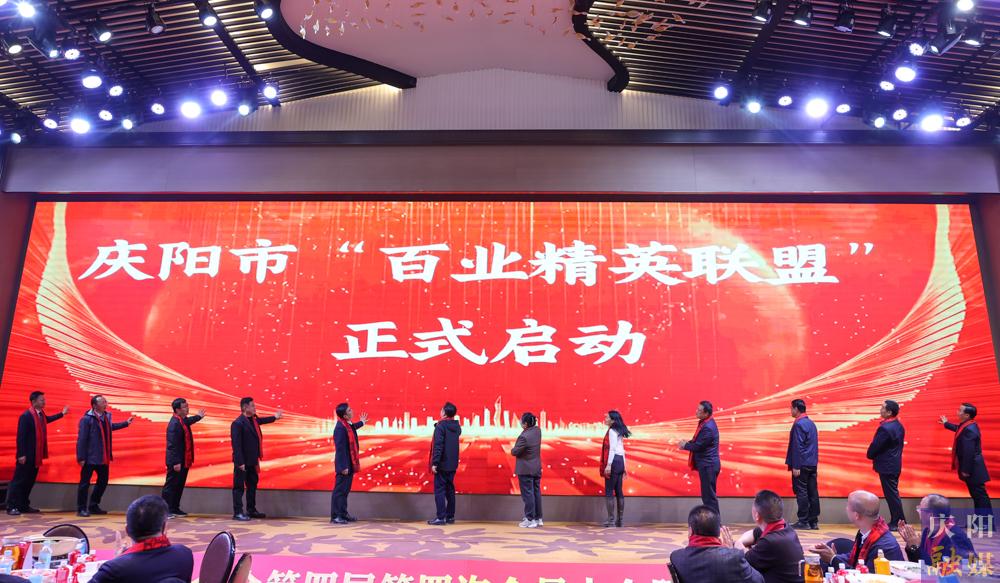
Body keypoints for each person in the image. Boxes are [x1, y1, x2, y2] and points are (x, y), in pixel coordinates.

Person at [90, 495, 194, 582]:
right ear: (164, 527)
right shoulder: (185, 554)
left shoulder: (113, 570)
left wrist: (118, 560)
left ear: (127, 530)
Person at [809, 490, 904, 570]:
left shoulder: (882, 547)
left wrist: (833, 559)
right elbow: (854, 558)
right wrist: (833, 557)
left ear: (856, 515)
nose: (846, 508)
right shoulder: (868, 531)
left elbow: (864, 578)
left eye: (848, 506)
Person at [8, 391, 68, 516]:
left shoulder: (40, 415)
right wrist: (21, 454)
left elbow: (48, 420)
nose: (44, 402)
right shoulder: (26, 416)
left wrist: (62, 414)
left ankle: (23, 505)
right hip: (26, 456)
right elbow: (21, 437)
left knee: (29, 481)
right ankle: (11, 506)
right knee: (19, 481)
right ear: (34, 401)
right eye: (42, 400)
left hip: (36, 455)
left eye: (44, 400)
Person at [669, 505, 764, 583]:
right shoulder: (734, 557)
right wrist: (731, 551)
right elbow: (759, 580)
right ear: (719, 532)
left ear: (690, 531)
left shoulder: (676, 557)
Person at [729, 490, 805, 583]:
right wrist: (740, 542)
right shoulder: (787, 529)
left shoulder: (770, 542)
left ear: (756, 515)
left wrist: (736, 545)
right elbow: (754, 533)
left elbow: (744, 559)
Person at [77, 395, 134, 517]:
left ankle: (93, 505)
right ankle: (81, 508)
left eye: (105, 402)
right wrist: (81, 457)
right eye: (103, 402)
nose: (105, 404)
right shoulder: (86, 419)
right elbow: (82, 439)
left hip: (103, 456)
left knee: (103, 481)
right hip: (89, 457)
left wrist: (126, 423)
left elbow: (110, 427)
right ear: (94, 405)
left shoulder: (106, 417)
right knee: (84, 483)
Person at [230, 397, 282, 521]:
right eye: (252, 406)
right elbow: (236, 445)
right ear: (245, 407)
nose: (255, 408)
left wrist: (275, 417)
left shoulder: (253, 420)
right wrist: (240, 462)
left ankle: (251, 510)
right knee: (239, 487)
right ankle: (238, 512)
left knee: (252, 486)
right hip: (242, 462)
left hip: (252, 460)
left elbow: (262, 420)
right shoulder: (237, 423)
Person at [940, 403, 992, 522]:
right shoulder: (968, 426)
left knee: (980, 497)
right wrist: (946, 423)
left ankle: (985, 523)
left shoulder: (970, 429)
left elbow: (969, 452)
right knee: (978, 496)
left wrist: (965, 470)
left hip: (973, 470)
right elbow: (958, 429)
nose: (957, 412)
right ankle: (981, 522)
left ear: (967, 415)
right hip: (974, 469)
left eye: (960, 410)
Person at [898, 494, 976, 567]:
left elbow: (938, 569)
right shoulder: (927, 531)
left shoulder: (955, 537)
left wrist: (915, 547)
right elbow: (918, 563)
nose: (918, 512)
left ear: (930, 515)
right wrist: (910, 544)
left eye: (920, 509)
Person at [162, 398, 206, 518]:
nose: (187, 409)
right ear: (177, 410)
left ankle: (174, 508)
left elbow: (189, 421)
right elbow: (172, 445)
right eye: (185, 407)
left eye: (187, 406)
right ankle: (165, 510)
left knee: (179, 485)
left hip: (184, 460)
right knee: (170, 486)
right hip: (176, 461)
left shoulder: (182, 421)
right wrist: (176, 462)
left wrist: (198, 417)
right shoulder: (174, 424)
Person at [866, 399, 905, 529]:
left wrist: (870, 454)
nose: (880, 410)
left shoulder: (885, 428)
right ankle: (897, 520)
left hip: (887, 466)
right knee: (892, 495)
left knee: (892, 495)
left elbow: (876, 446)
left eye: (883, 408)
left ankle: (898, 521)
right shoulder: (898, 425)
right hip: (893, 465)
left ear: (889, 412)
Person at [678, 401, 721, 516]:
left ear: (706, 413)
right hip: (707, 465)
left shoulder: (708, 427)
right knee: (707, 496)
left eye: (699, 410)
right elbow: (698, 441)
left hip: (709, 465)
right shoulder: (704, 423)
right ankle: (712, 521)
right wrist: (688, 443)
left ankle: (715, 522)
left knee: (709, 497)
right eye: (697, 409)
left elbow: (699, 446)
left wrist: (685, 445)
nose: (696, 411)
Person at [331, 402, 368, 524]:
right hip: (344, 465)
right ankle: (336, 516)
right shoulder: (340, 428)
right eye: (349, 411)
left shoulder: (346, 425)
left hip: (349, 463)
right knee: (339, 491)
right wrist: (343, 467)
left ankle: (343, 514)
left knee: (345, 491)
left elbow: (352, 428)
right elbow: (340, 449)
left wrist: (362, 423)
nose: (352, 411)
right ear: (345, 416)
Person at [785, 399, 819, 530]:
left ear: (796, 409)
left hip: (802, 464)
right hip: (812, 463)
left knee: (802, 492)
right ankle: (813, 521)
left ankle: (803, 520)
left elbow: (797, 446)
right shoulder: (811, 423)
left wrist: (796, 465)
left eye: (791, 408)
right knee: (812, 492)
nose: (790, 410)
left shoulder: (798, 424)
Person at [427, 401, 461, 525]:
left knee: (440, 490)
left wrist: (435, 463)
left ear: (445, 413)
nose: (440, 411)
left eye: (442, 410)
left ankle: (440, 517)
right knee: (450, 490)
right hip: (452, 464)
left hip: (442, 464)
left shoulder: (441, 426)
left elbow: (438, 446)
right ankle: (450, 517)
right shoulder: (456, 427)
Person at [511, 412, 543, 528]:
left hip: (526, 469)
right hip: (536, 468)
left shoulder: (524, 437)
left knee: (528, 495)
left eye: (521, 421)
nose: (520, 422)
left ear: (525, 424)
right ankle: (538, 518)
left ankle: (530, 519)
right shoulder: (538, 431)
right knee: (536, 493)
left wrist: (513, 449)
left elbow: (514, 451)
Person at [600, 410, 631, 527]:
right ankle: (620, 520)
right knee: (619, 491)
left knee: (609, 491)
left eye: (607, 417)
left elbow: (612, 449)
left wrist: (608, 465)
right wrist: (624, 466)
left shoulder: (612, 431)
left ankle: (611, 520)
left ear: (612, 420)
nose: (605, 419)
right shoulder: (619, 431)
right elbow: (621, 449)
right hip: (620, 461)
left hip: (613, 461)